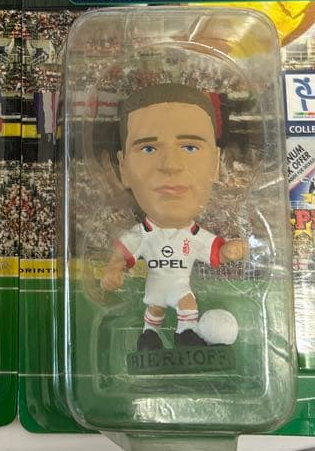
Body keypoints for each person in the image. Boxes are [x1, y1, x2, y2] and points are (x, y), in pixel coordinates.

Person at [100, 83, 246, 350]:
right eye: (148, 148)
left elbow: (216, 252)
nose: (170, 165)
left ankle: (185, 335)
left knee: (184, 302)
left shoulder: (193, 234)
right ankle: (150, 337)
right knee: (155, 310)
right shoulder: (143, 233)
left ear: (216, 163)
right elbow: (122, 255)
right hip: (156, 284)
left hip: (179, 283)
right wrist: (112, 270)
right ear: (123, 168)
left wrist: (229, 251)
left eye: (189, 147)